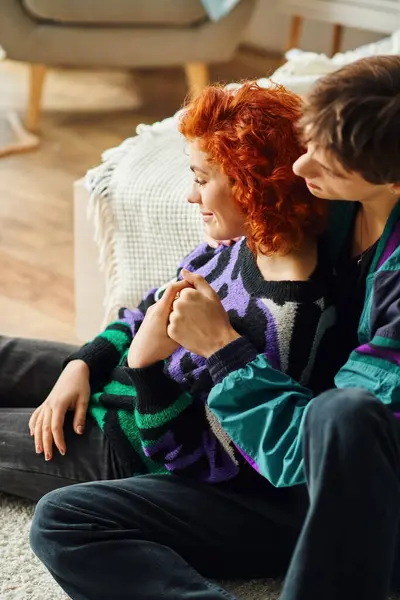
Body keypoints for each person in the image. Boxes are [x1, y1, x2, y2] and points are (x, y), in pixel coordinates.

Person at [26, 54, 400, 600]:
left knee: (64, 520)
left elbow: (312, 456)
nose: (300, 169)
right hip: (244, 429)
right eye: (308, 142)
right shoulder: (334, 205)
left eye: (327, 159)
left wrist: (222, 349)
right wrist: (87, 359)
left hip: (305, 495)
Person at [0, 81, 332, 503]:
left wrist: (144, 367)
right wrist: (84, 363)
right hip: (112, 381)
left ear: (253, 184)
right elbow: (148, 310)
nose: (191, 196)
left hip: (126, 448)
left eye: (201, 179)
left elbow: (205, 459)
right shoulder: (242, 242)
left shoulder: (290, 321)